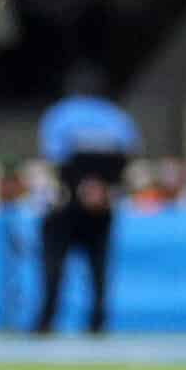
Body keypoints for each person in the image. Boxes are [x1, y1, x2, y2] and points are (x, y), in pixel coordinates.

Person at [32, 67, 138, 334]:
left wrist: (80, 187)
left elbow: (53, 157)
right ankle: (98, 322)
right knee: (98, 267)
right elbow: (128, 156)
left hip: (66, 202)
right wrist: (100, 188)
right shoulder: (117, 117)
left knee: (54, 265)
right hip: (102, 205)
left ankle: (46, 321)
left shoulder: (60, 114)